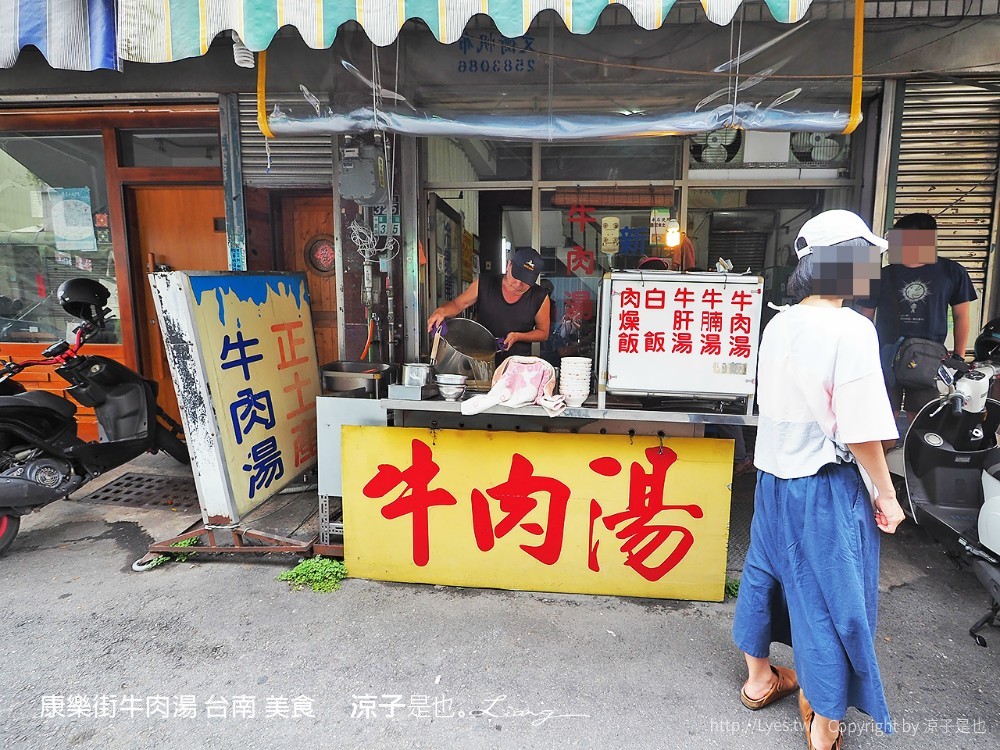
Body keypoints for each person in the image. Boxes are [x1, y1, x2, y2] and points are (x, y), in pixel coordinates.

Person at [732, 210, 905, 750]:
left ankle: (760, 679)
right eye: (865, 256)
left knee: (765, 572)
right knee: (831, 595)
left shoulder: (779, 323)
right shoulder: (851, 328)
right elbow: (859, 428)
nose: (873, 266)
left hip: (773, 478)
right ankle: (824, 720)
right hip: (824, 483)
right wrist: (886, 492)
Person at [859, 212, 977, 419]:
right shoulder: (880, 275)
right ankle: (884, 451)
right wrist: (863, 354)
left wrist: (958, 356)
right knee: (883, 416)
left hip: (929, 357)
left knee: (922, 416)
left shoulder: (952, 271)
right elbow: (864, 318)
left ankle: (915, 452)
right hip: (886, 355)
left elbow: (962, 316)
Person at [427, 247, 551, 362]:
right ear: (508, 265)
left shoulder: (539, 297)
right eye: (516, 276)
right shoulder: (484, 284)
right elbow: (458, 304)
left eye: (525, 281)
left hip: (515, 366)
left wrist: (518, 336)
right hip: (479, 359)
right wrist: (442, 311)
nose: (518, 284)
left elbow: (543, 332)